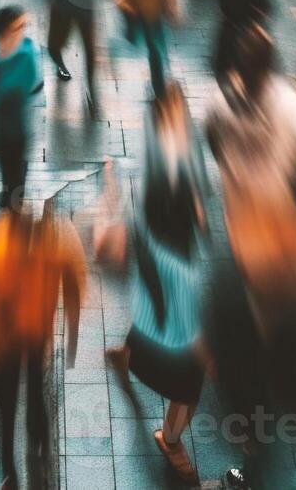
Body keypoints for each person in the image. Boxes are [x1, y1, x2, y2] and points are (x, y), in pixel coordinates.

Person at [105, 83, 211, 485]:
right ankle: (169, 439)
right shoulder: (161, 141)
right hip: (164, 248)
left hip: (161, 242)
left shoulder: (178, 138)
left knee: (151, 310)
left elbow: (186, 183)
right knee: (189, 382)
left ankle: (126, 354)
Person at [0, 207, 85, 490]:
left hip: (22, 338)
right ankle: (21, 465)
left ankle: (24, 461)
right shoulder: (4, 251)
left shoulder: (36, 249)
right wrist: (71, 339)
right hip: (9, 340)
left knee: (22, 398)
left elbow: (72, 286)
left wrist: (72, 337)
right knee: (15, 403)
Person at [0, 6, 41, 210]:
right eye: (18, 26)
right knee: (5, 160)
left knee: (18, 159)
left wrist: (6, 91)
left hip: (18, 117)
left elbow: (31, 82)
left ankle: (15, 196)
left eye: (24, 26)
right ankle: (8, 192)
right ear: (4, 31)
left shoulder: (27, 52)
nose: (23, 30)